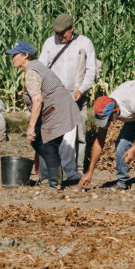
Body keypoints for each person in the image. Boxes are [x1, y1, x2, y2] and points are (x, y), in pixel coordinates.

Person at [7, 40, 83, 189]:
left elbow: (37, 100)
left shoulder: (31, 71)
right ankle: (57, 178)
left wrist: (31, 126)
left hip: (57, 112)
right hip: (59, 109)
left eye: (15, 55)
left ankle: (55, 184)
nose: (12, 58)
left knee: (46, 144)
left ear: (25, 55)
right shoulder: (37, 67)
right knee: (41, 142)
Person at [38, 13, 98, 183]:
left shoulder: (85, 43)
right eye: (57, 34)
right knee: (50, 132)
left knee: (78, 133)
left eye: (63, 34)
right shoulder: (50, 43)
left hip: (75, 94)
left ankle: (75, 171)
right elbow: (42, 67)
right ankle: (49, 171)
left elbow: (90, 70)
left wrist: (81, 89)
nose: (60, 37)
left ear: (71, 28)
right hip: (53, 95)